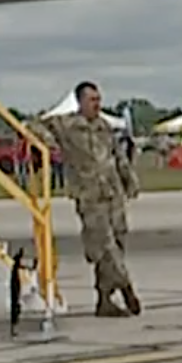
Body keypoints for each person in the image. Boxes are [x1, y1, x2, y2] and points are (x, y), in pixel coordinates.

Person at [38, 80, 139, 317]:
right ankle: (126, 287)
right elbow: (35, 125)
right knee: (104, 246)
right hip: (89, 195)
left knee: (119, 241)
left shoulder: (104, 126)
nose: (97, 104)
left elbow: (117, 155)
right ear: (80, 102)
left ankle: (104, 299)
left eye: (98, 99)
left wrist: (129, 179)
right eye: (92, 100)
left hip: (112, 193)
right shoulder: (67, 125)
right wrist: (51, 145)